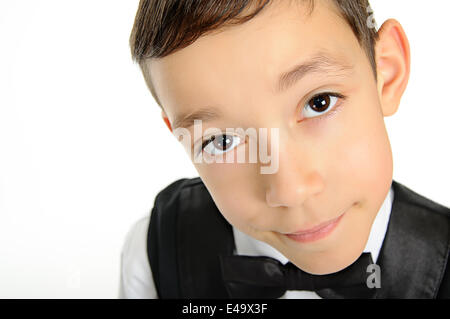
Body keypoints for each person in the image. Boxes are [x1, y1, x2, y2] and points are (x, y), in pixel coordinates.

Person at [119, 0, 450, 298]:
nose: (290, 191)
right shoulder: (155, 252)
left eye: (318, 103)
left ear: (386, 73)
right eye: (222, 141)